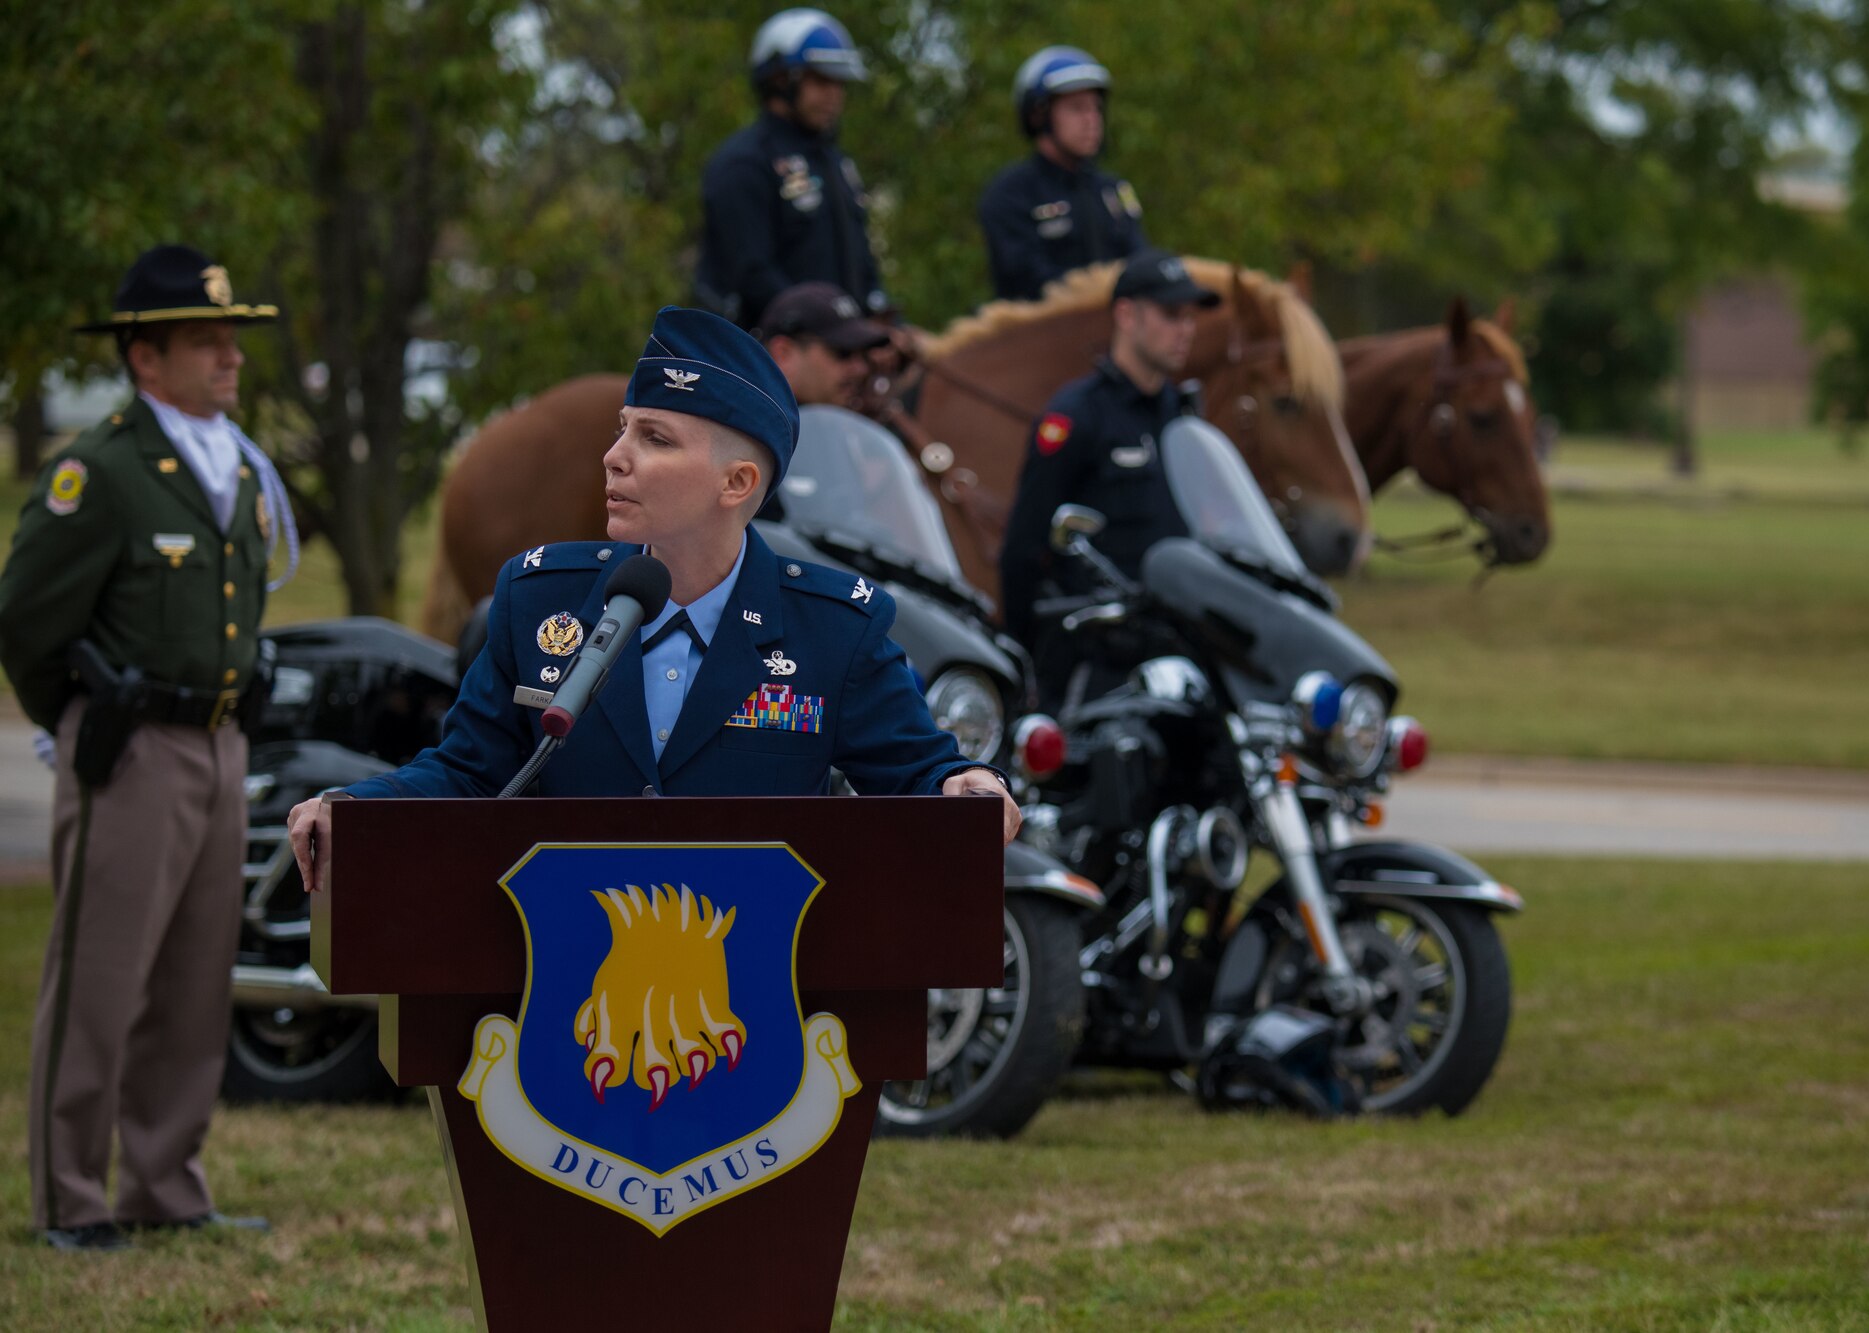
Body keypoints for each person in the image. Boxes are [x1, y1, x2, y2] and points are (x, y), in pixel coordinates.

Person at [286, 306, 1018, 888]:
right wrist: (360, 808)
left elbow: (918, 773)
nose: (615, 456)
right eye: (622, 430)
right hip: (565, 985)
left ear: (737, 484)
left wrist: (966, 783)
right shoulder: (542, 600)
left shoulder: (832, 627)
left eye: (656, 437)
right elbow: (470, 770)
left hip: (752, 997)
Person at [0, 244, 298, 1251]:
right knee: (101, 975)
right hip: (131, 750)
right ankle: (72, 1194)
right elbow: (27, 617)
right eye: (206, 340)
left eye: (233, 337)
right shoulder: (108, 467)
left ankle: (165, 1182)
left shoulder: (236, 460)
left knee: (193, 977)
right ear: (145, 358)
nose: (230, 357)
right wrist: (80, 716)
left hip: (217, 744)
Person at [997, 249, 1219, 702]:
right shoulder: (1076, 417)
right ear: (1126, 315)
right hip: (1101, 662)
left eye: (1190, 316)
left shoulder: (1184, 417)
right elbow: (1023, 551)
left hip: (1181, 646)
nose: (1186, 329)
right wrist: (1031, 665)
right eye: (1171, 314)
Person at [694, 9, 890, 331]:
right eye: (821, 80)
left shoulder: (835, 162)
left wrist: (881, 318)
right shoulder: (744, 161)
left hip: (838, 348)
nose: (834, 95)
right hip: (768, 351)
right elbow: (752, 275)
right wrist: (828, 329)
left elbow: (862, 263)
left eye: (839, 83)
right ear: (779, 80)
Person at [979, 46, 1147, 304]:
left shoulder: (1113, 189)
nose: (1092, 120)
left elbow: (1141, 261)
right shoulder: (1010, 193)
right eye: (1077, 108)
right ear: (1038, 115)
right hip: (1042, 337)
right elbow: (1028, 281)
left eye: (1096, 108)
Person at [758, 281, 890, 409]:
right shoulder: (746, 425)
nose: (861, 369)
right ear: (783, 354)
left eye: (864, 355)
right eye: (843, 353)